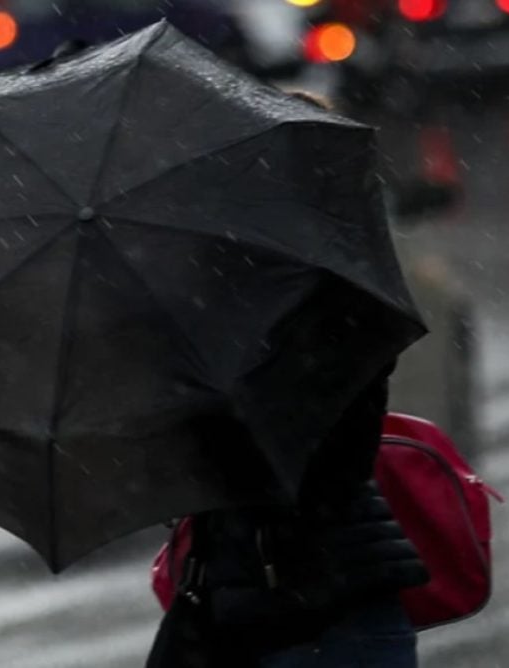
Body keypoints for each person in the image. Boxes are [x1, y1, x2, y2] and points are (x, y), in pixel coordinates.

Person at [147, 92, 430, 668]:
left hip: (326, 612)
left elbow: (302, 454)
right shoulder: (222, 297)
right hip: (261, 609)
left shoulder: (332, 297)